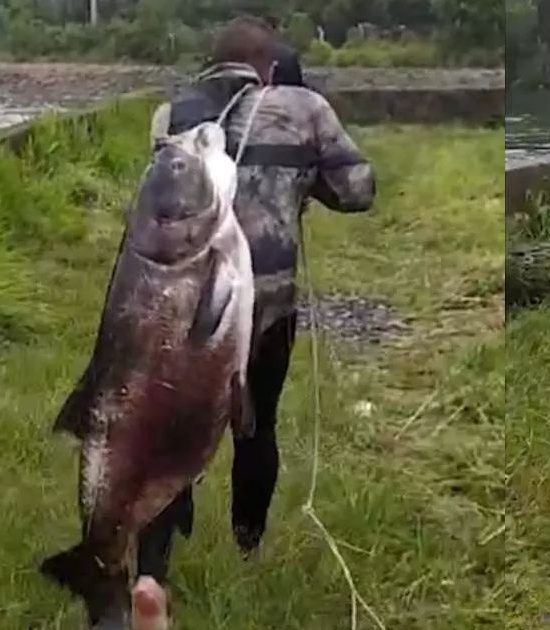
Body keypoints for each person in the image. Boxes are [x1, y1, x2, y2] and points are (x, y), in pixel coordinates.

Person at [140, 16, 376, 584]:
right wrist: (303, 181)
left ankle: (152, 572)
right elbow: (359, 190)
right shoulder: (303, 107)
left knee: (172, 427)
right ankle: (248, 548)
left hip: (181, 305)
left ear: (211, 64)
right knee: (257, 425)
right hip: (264, 308)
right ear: (270, 67)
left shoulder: (171, 113)